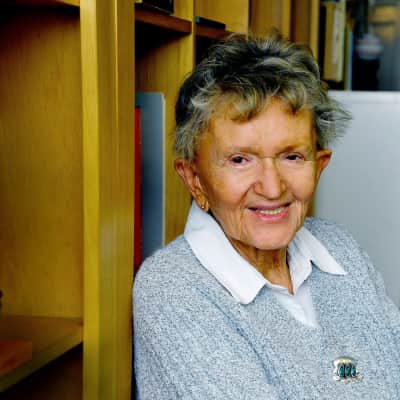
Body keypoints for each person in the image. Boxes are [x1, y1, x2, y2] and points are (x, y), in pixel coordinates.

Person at [133, 32, 400, 399]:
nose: (272, 188)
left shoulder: (340, 249)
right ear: (194, 179)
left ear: (319, 166)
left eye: (292, 156)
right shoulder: (172, 291)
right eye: (240, 160)